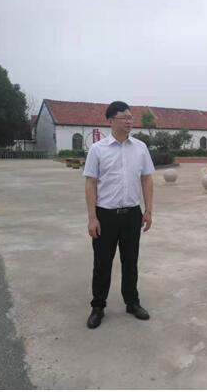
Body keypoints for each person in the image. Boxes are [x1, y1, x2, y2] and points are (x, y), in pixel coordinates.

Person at [83, 101, 155, 329]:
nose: (129, 121)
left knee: (130, 262)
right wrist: (92, 217)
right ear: (111, 120)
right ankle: (98, 306)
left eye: (130, 117)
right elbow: (90, 183)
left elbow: (147, 179)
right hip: (105, 215)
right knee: (102, 263)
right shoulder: (98, 149)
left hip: (132, 214)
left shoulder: (140, 148)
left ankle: (132, 302)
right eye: (124, 117)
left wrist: (148, 210)